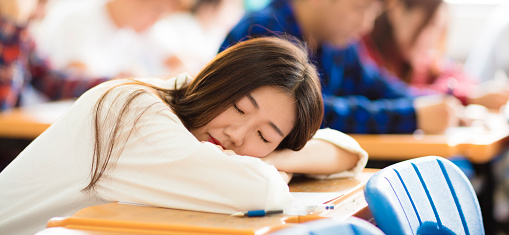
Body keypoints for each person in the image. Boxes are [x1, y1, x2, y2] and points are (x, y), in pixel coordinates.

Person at [0, 37, 368, 235]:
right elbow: (261, 191)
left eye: (265, 135)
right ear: (218, 80)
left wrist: (276, 159)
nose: (237, 135)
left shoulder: (188, 109)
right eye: (240, 108)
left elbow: (347, 150)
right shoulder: (135, 111)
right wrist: (264, 164)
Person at [221, 0, 462, 135]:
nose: (367, 25)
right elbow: (307, 112)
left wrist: (443, 102)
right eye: (360, 8)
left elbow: (379, 86)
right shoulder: (264, 31)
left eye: (373, 13)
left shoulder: (337, 43)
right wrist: (413, 115)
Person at [361, 0, 509, 110]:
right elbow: (400, 95)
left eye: (439, 30)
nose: (433, 40)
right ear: (398, 11)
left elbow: (464, 78)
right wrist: (468, 98)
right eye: (430, 25)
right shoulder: (364, 53)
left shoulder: (418, 62)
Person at [36, 0, 189, 78]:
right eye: (156, 9)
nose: (156, 20)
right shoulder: (79, 18)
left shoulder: (146, 25)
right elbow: (81, 84)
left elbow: (184, 68)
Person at [0, 0, 106, 111]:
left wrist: (114, 83)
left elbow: (52, 82)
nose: (43, 13)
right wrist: (13, 21)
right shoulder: (15, 29)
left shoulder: (21, 34)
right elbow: (2, 106)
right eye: (42, 1)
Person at [152, 0, 244, 75]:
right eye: (229, 4)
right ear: (209, 5)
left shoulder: (217, 35)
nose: (233, 11)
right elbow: (171, 61)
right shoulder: (181, 24)